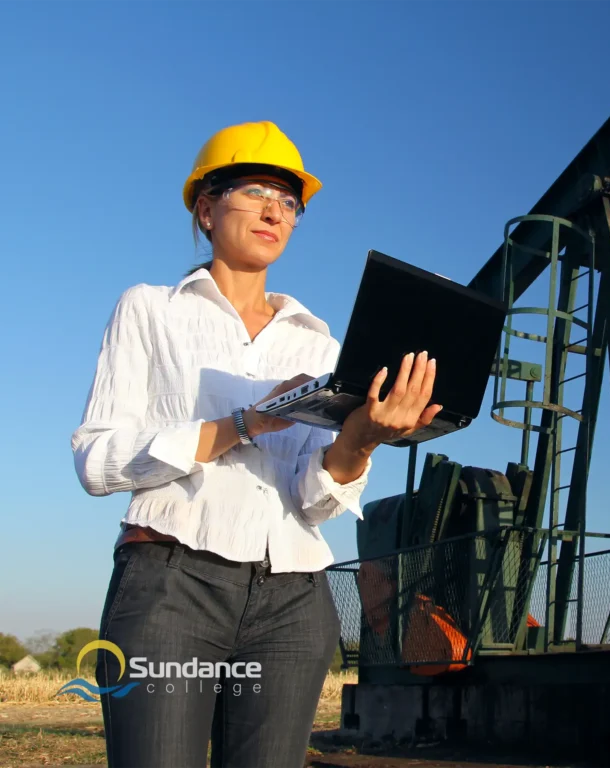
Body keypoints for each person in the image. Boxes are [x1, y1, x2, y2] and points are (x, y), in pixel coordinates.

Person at [70, 120, 443, 768]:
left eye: (290, 200)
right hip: (170, 586)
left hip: (293, 602)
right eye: (255, 189)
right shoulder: (150, 309)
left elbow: (315, 498)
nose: (276, 208)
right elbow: (97, 460)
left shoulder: (321, 345)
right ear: (206, 207)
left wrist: (360, 438)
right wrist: (243, 423)